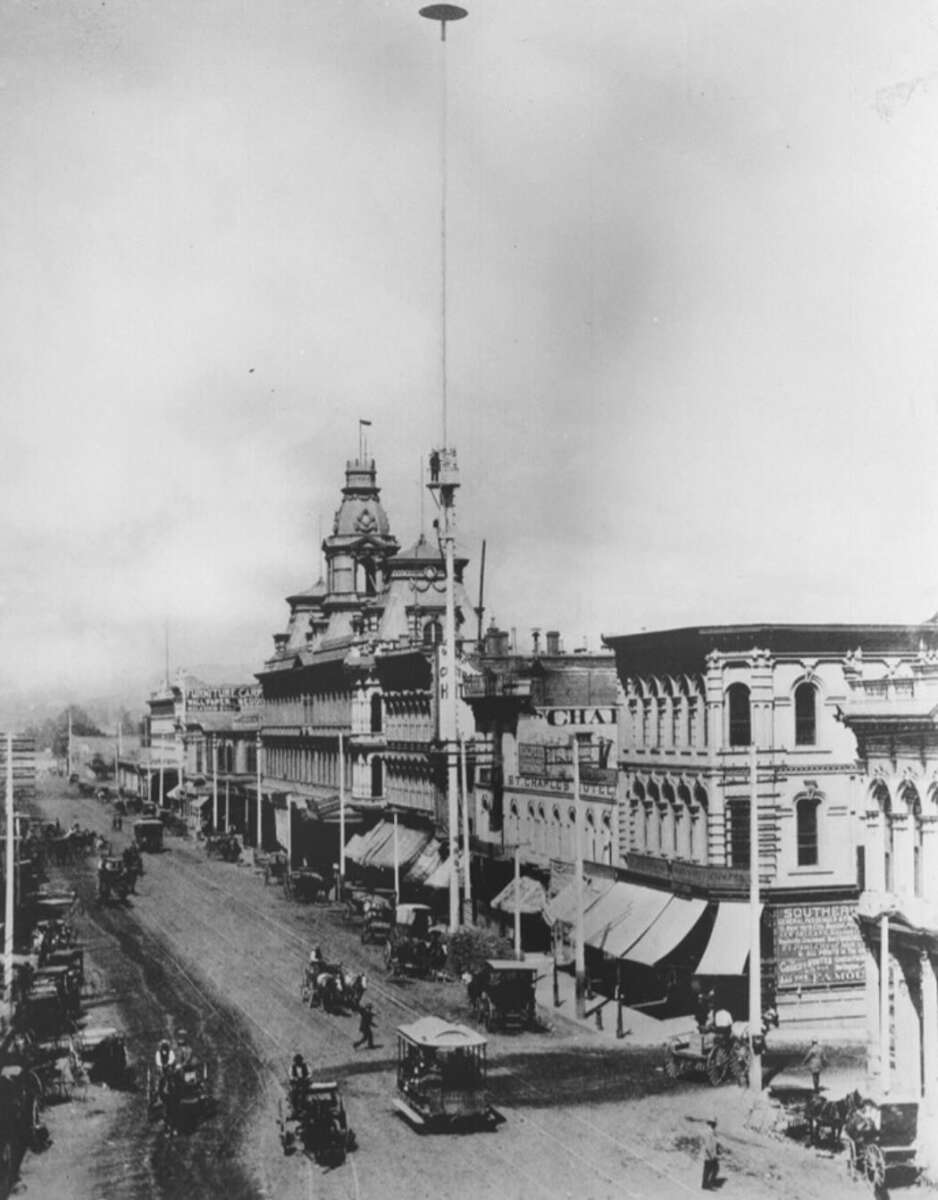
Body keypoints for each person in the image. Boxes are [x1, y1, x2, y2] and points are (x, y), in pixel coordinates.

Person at [701, 1117, 721, 1190]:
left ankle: (709, 1183)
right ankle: (705, 1185)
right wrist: (710, 1155)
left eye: (714, 1124)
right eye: (712, 1123)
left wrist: (717, 1151)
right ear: (709, 1123)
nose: (714, 1125)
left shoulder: (713, 1132)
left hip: (713, 1154)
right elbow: (707, 1145)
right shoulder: (708, 1132)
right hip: (709, 1154)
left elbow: (715, 1143)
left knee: (715, 1168)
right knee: (708, 1169)